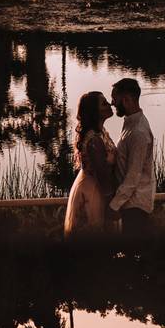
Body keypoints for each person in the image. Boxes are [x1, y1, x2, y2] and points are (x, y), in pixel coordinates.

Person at [64, 91, 117, 236]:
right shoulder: (94, 139)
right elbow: (102, 173)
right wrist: (111, 205)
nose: (109, 105)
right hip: (94, 191)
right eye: (104, 104)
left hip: (95, 185)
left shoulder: (101, 132)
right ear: (95, 111)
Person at [108, 78, 155, 236]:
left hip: (135, 206)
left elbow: (133, 175)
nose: (112, 103)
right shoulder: (131, 124)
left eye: (115, 99)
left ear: (126, 100)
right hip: (130, 204)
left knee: (133, 254)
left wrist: (114, 205)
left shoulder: (138, 132)